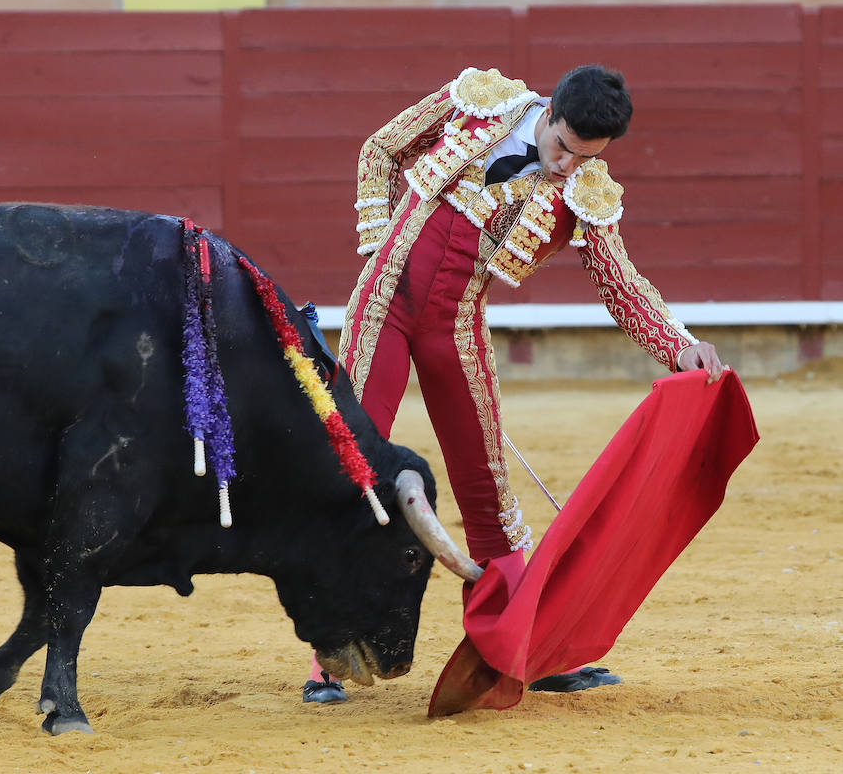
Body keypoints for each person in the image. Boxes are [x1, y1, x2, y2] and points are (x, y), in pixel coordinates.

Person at [301, 65, 725, 705]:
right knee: (355, 467)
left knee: (486, 484)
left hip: (456, 322)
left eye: (584, 160)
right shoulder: (480, 100)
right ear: (549, 111)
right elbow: (381, 149)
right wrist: (378, 245)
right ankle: (329, 655)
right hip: (384, 303)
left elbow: (620, 284)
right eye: (562, 150)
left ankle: (519, 644)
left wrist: (679, 345)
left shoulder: (586, 189)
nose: (565, 169)